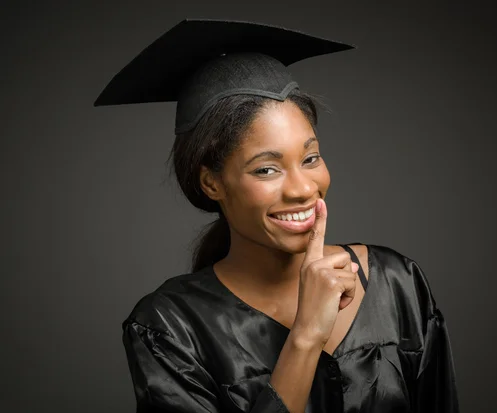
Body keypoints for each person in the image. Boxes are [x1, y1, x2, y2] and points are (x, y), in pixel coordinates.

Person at [95, 19, 460, 413]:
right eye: (266, 169)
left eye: (310, 158)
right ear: (211, 183)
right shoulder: (170, 328)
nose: (303, 188)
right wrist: (305, 336)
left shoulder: (396, 284)